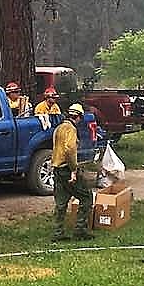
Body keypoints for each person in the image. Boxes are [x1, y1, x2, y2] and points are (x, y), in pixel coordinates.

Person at [51, 103, 93, 241]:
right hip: (67, 170)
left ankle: (58, 233)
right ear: (79, 117)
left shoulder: (59, 128)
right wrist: (74, 170)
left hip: (57, 169)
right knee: (86, 197)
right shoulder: (71, 129)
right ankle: (80, 231)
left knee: (61, 203)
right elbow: (69, 149)